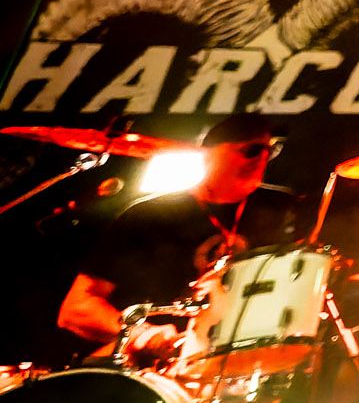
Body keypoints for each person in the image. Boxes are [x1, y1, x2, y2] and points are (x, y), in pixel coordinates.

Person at [57, 113, 301, 355]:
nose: (262, 159)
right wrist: (141, 334)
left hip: (256, 355)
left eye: (270, 150)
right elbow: (77, 307)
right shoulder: (150, 214)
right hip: (160, 361)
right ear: (209, 154)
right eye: (252, 150)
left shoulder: (286, 209)